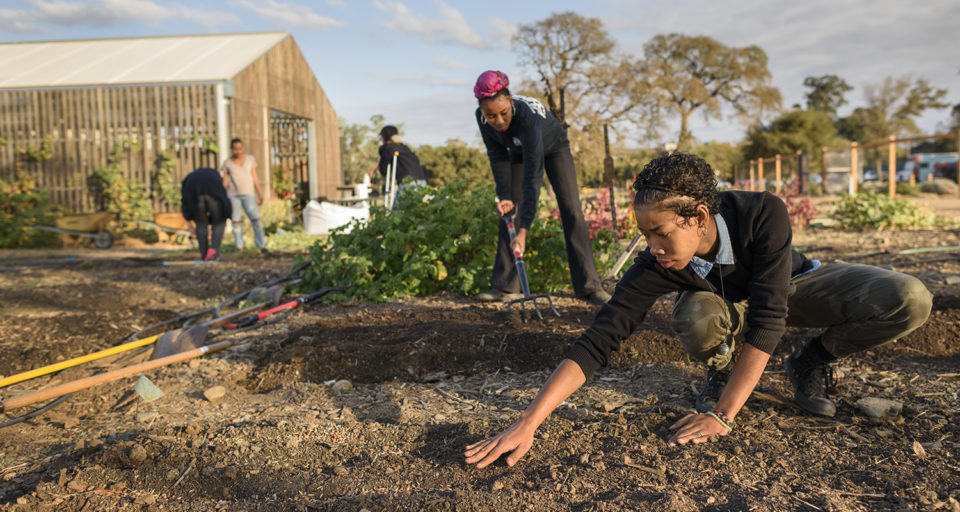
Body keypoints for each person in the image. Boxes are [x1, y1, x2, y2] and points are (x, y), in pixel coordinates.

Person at [464, 153, 932, 468]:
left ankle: (811, 360)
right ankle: (722, 369)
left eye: (661, 232)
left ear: (700, 217)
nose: (653, 247)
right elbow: (600, 338)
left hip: (795, 286)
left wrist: (724, 416)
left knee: (909, 297)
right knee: (695, 314)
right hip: (728, 310)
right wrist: (528, 421)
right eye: (645, 234)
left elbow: (770, 316)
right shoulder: (658, 263)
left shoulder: (762, 212)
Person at [472, 70, 609, 305]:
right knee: (508, 211)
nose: (499, 121)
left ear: (511, 101)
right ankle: (504, 286)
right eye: (491, 116)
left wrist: (524, 230)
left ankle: (589, 287)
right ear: (483, 112)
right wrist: (505, 195)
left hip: (554, 148)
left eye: (503, 113)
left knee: (572, 209)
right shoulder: (482, 118)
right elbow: (497, 156)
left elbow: (532, 179)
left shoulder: (528, 120)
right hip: (517, 151)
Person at [220, 138, 267, 254]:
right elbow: (225, 181)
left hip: (249, 194)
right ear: (232, 149)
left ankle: (261, 245)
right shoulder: (227, 163)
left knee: (256, 219)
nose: (238, 151)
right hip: (233, 196)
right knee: (236, 221)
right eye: (236, 149)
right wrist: (221, 196)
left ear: (243, 148)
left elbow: (255, 177)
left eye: (240, 149)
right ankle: (239, 247)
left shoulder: (250, 159)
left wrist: (259, 193)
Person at [181, 167, 232, 262]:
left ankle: (204, 255)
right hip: (215, 197)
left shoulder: (189, 178)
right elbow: (223, 196)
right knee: (219, 222)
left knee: (201, 225)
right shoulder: (214, 175)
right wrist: (227, 213)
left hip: (196, 199)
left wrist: (188, 219)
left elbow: (185, 199)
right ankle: (214, 254)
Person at [375, 125, 427, 207]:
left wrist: (382, 152)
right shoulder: (405, 148)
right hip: (421, 181)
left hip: (407, 183)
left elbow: (383, 170)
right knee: (415, 210)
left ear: (384, 137)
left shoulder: (388, 148)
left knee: (397, 213)